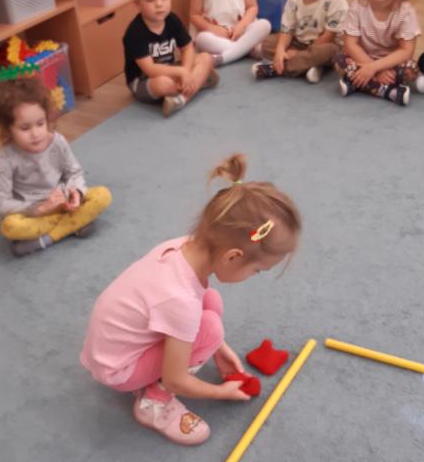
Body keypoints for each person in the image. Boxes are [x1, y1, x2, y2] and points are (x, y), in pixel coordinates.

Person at [80, 153, 301, 446]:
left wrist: (218, 349)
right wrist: (219, 392)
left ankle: (192, 352)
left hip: (111, 348)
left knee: (211, 302)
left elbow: (177, 306)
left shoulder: (182, 246)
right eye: (256, 270)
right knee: (210, 328)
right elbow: (176, 380)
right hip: (118, 369)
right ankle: (153, 403)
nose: (253, 276)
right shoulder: (180, 300)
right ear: (232, 257)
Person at [0, 76, 112, 257]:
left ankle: (46, 239)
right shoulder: (6, 158)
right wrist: (38, 209)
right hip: (33, 212)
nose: (36, 134)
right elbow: (1, 203)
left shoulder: (57, 142)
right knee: (9, 226)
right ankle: (74, 224)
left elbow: (74, 173)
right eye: (25, 128)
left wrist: (76, 193)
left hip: (63, 202)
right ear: (8, 129)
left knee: (103, 195)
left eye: (40, 124)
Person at [123, 0, 218, 118]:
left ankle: (181, 97)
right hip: (144, 80)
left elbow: (187, 48)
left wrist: (185, 70)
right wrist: (181, 72)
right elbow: (150, 69)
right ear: (137, 4)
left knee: (206, 58)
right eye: (150, 0)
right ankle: (198, 83)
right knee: (163, 83)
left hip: (171, 69)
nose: (159, 4)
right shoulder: (135, 32)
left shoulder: (172, 20)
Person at [335, 0, 420, 106]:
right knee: (340, 59)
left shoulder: (406, 11)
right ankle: (387, 91)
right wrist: (371, 67)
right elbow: (350, 44)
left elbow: (406, 51)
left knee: (411, 69)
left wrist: (375, 68)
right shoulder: (357, 6)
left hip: (390, 63)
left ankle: (359, 84)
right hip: (363, 59)